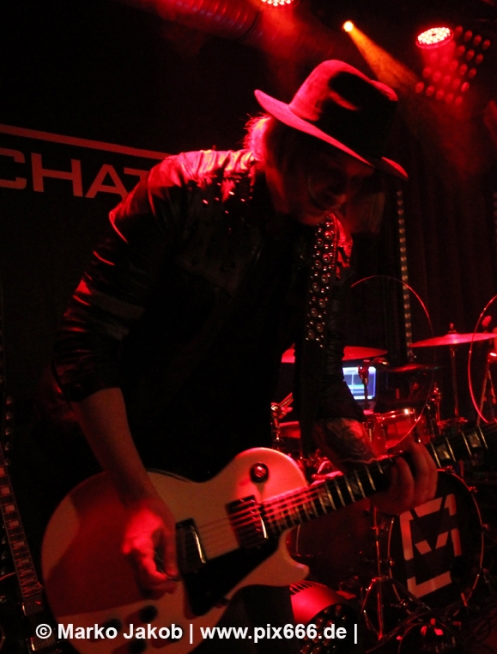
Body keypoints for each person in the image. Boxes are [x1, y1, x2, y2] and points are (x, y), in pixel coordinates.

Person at [17, 60, 438, 653]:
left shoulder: (328, 249)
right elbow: (85, 343)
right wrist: (135, 494)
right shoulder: (182, 190)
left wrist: (372, 473)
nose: (340, 193)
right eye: (327, 169)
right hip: (107, 472)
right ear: (283, 140)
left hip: (225, 488)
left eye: (355, 180)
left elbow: (322, 391)